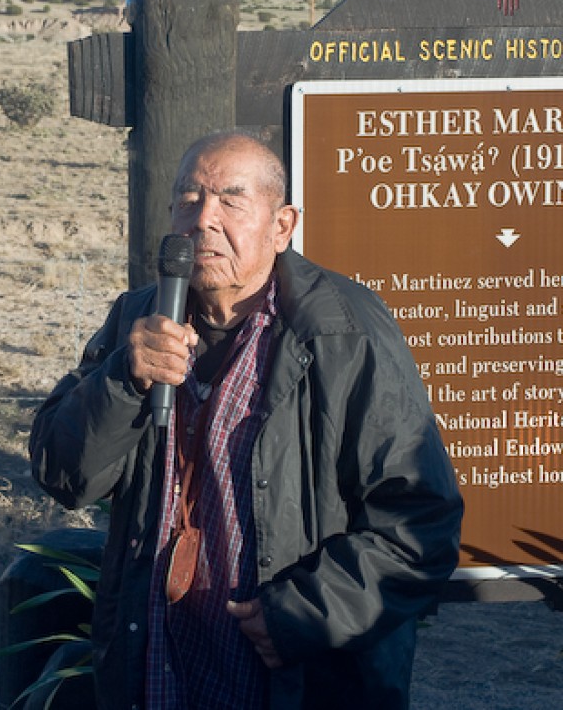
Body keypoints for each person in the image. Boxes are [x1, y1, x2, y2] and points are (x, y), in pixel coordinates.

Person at [30, 130, 463, 709]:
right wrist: (123, 379)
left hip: (295, 678)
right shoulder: (139, 319)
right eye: (188, 199)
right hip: (157, 668)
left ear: (282, 226)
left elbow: (421, 524)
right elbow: (62, 472)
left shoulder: (342, 334)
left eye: (230, 200)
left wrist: (303, 614)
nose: (203, 219)